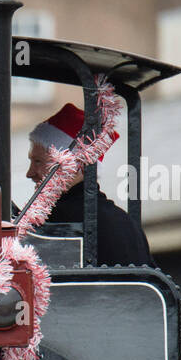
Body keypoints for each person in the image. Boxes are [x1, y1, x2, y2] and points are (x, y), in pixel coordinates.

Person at [26, 103, 153, 267]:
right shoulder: (124, 222)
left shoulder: (57, 221)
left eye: (38, 162)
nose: (30, 173)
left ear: (75, 166)